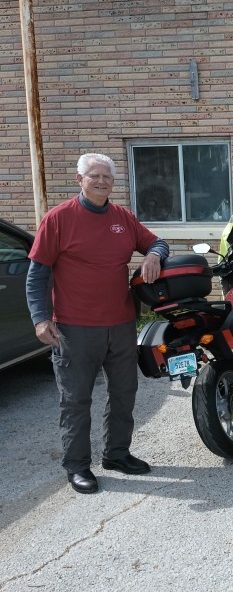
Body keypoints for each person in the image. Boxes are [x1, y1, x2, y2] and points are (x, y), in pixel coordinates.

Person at [26, 153, 170, 494]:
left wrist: (153, 255)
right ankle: (77, 466)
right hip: (74, 329)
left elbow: (158, 242)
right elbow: (37, 275)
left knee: (124, 394)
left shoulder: (123, 218)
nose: (102, 181)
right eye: (94, 176)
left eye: (107, 176)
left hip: (120, 325)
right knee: (76, 400)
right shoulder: (58, 219)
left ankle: (117, 454)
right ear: (80, 180)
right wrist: (40, 318)